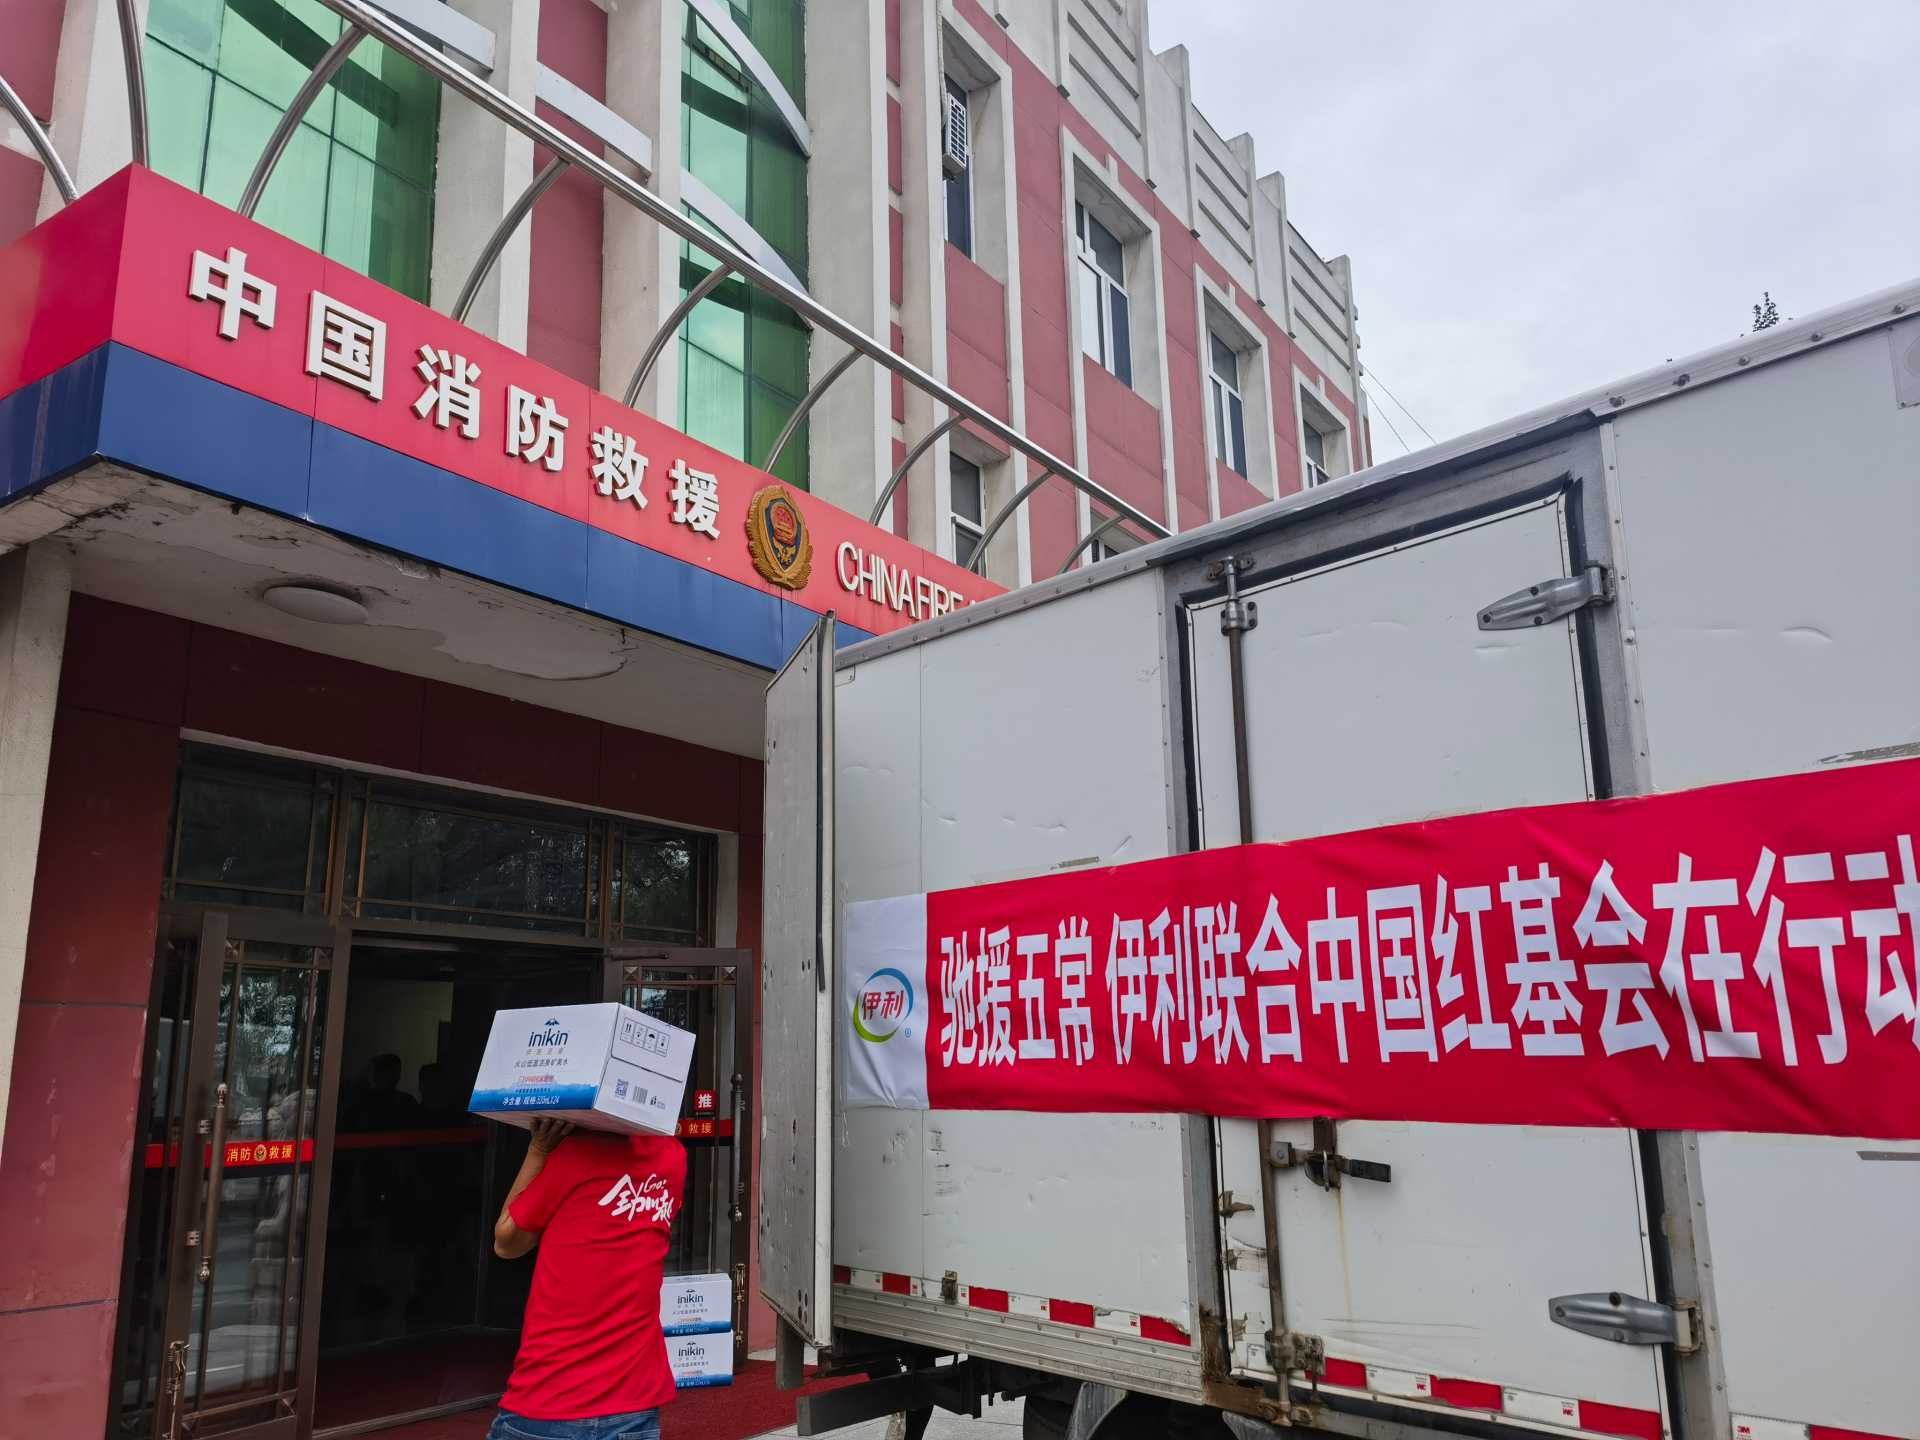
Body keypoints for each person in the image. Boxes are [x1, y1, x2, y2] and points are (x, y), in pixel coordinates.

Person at [487, 1117, 688, 1440]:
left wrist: (538, 1150)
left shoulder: (575, 1157)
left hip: (549, 1399)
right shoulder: (672, 1158)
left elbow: (506, 1243)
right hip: (634, 1406)